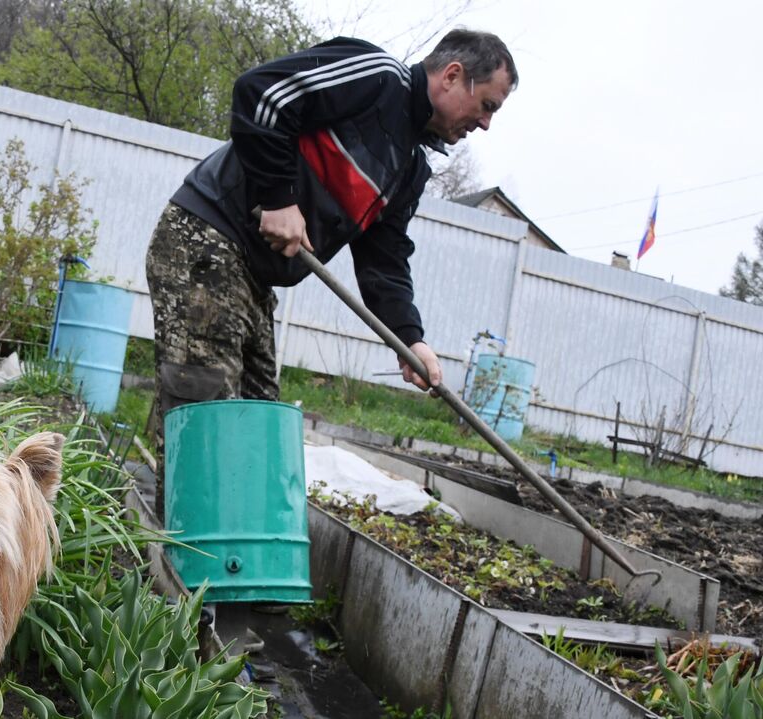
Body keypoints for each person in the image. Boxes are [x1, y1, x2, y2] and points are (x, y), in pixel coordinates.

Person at [145, 29, 517, 519]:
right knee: (207, 414)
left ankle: (241, 573)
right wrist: (279, 198)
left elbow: (385, 259)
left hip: (252, 277)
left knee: (259, 426)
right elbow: (262, 94)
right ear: (453, 76)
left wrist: (410, 338)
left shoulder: (408, 167)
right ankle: (182, 572)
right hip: (208, 239)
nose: (486, 124)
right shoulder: (374, 79)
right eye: (487, 105)